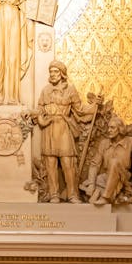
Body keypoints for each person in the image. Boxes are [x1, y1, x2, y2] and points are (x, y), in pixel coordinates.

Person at [33, 61, 95, 202]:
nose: (53, 74)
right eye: (51, 72)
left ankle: (72, 194)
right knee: (50, 163)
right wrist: (37, 117)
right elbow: (40, 110)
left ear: (62, 73)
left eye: (55, 71)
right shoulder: (45, 90)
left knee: (68, 163)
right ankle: (54, 194)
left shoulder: (70, 89)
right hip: (49, 129)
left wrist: (95, 105)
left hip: (64, 128)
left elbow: (80, 109)